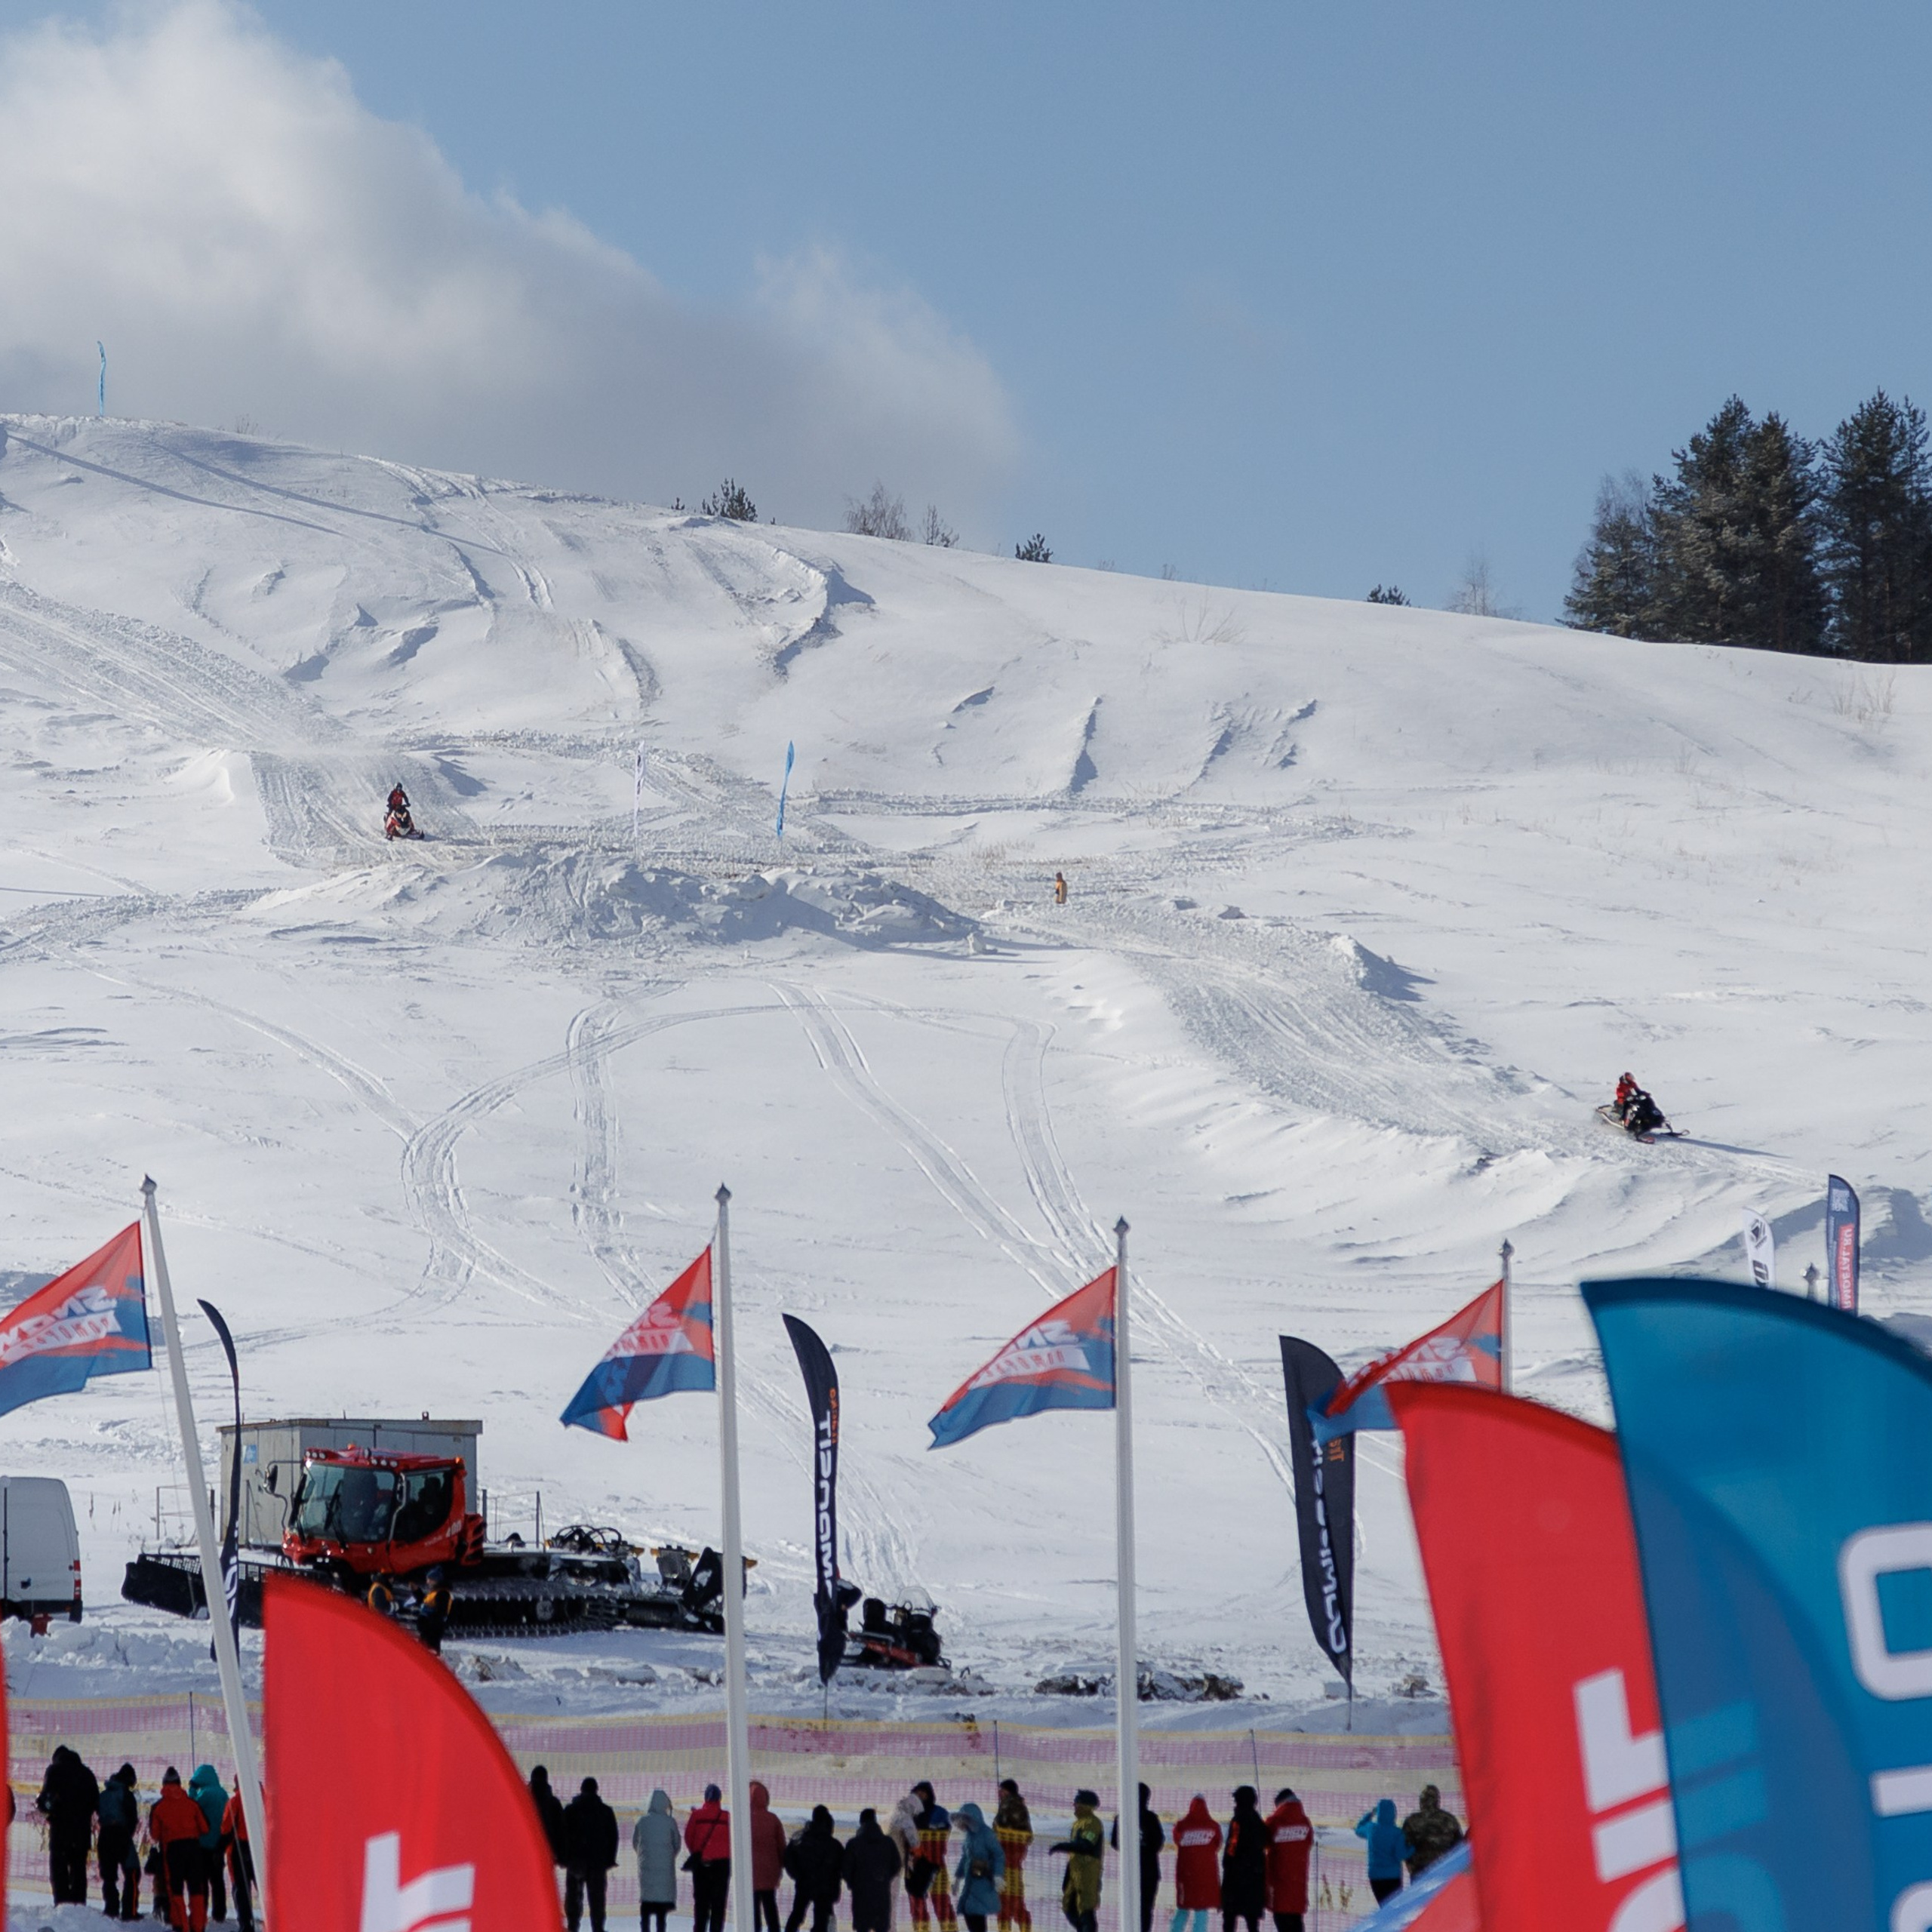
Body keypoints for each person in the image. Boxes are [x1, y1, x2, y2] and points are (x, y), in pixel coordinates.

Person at [152, 1767, 212, 1932]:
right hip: (193, 1849)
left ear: (164, 1784)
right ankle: (198, 1926)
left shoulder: (159, 1807)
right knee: (196, 1890)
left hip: (172, 1851)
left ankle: (181, 1926)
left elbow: (155, 1834)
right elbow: (205, 1828)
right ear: (180, 1784)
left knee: (175, 1891)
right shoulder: (192, 1804)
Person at [38, 1743, 100, 1905]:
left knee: (59, 1870)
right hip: (81, 1832)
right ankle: (78, 1906)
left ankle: (62, 1905)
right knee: (79, 1870)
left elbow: (45, 1800)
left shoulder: (54, 1770)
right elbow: (96, 1802)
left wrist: (47, 1808)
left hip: (61, 1830)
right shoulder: (87, 1774)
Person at [564, 1776, 620, 1932]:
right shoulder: (605, 1811)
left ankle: (572, 1927)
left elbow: (563, 1835)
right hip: (598, 1863)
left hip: (575, 1863)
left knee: (574, 1900)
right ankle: (598, 1928)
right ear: (596, 1790)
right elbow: (613, 1837)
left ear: (581, 1790)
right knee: (597, 1901)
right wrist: (609, 1860)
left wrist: (566, 1859)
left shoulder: (571, 1810)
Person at [1110, 1783, 1162, 1932]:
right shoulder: (1151, 1818)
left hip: (1129, 1872)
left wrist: (1131, 1847)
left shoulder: (1122, 1817)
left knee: (1129, 1909)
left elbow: (1115, 1843)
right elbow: (1158, 1843)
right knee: (1145, 1910)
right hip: (1149, 1872)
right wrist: (1144, 1847)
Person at [783, 1804, 844, 1932]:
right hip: (824, 1889)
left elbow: (788, 1859)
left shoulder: (799, 1840)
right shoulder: (834, 1845)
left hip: (804, 1884)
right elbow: (841, 1866)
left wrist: (798, 1876)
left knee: (797, 1915)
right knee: (821, 1921)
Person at [1051, 1791, 1104, 1932]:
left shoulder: (1092, 1823)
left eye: (1077, 1802)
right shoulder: (1078, 1823)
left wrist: (1062, 1846)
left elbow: (1086, 1845)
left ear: (1085, 1805)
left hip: (1087, 1873)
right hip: (1076, 1871)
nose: (1074, 1805)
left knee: (1086, 1909)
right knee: (1069, 1906)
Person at [843, 1807, 902, 1932]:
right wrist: (885, 1878)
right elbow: (897, 1865)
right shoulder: (888, 1843)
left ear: (861, 1822)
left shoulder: (853, 1844)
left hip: (861, 1896)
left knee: (862, 1928)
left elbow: (846, 1869)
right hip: (882, 1895)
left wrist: (853, 1883)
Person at [1169, 1796, 1221, 1932]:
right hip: (1205, 1876)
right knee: (1201, 1910)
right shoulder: (1213, 1826)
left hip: (1186, 1875)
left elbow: (1176, 1840)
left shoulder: (1181, 1825)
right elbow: (1217, 1844)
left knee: (1183, 1907)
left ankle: (1175, 1929)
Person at [909, 1783, 957, 1931]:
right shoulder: (909, 1814)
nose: (920, 1797)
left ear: (929, 1794)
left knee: (942, 1902)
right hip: (915, 1865)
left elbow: (943, 1836)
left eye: (923, 1793)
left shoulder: (940, 1813)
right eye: (917, 1794)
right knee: (917, 1903)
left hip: (936, 1865)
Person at [686, 1783, 734, 1932]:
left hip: (702, 1865)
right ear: (719, 1798)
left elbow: (688, 1837)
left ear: (705, 1797)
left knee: (701, 1904)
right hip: (723, 1865)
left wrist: (698, 1852)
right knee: (719, 1905)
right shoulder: (727, 1817)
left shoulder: (696, 1816)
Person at [98, 1763, 142, 1921]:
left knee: (109, 1876)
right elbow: (132, 1818)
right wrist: (127, 1834)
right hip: (121, 1835)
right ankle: (129, 1911)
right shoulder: (126, 1794)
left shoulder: (103, 1794)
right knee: (133, 1872)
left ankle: (111, 1909)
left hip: (104, 1836)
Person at [1262, 1790, 1310, 1932]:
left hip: (1278, 1883)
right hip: (1298, 1883)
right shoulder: (1305, 1822)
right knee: (1297, 1922)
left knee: (1282, 1921)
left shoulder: (1273, 1822)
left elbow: (1263, 1842)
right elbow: (1308, 1842)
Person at [633, 1789, 681, 1932]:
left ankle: (645, 1929)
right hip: (665, 1872)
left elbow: (635, 1843)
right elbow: (677, 1845)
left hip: (646, 1871)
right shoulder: (670, 1822)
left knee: (646, 1907)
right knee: (661, 1912)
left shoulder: (641, 1822)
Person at [952, 1802, 1004, 1932]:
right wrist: (957, 1879)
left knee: (976, 1916)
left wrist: (998, 1876)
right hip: (971, 1883)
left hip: (984, 1882)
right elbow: (965, 1858)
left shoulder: (987, 1834)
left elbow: (999, 1855)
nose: (960, 1824)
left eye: (963, 1820)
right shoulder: (969, 1837)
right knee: (970, 1914)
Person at [1220, 1789, 1266, 1932]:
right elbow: (1264, 1842)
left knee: (1230, 1921)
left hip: (1236, 1879)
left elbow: (1232, 1845)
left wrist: (1227, 1863)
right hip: (1255, 1878)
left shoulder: (1238, 1820)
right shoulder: (1258, 1821)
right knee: (1252, 1922)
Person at [188, 1767, 229, 1921]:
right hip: (219, 1844)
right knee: (217, 1880)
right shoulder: (223, 1793)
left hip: (203, 1844)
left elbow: (192, 1808)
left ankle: (201, 1911)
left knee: (201, 1881)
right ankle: (219, 1913)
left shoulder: (205, 1794)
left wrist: (192, 1790)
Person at [993, 1780, 1033, 1932]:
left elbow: (1002, 1827)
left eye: (1002, 1790)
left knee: (1009, 1901)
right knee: (1011, 1901)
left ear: (1009, 1792)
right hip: (1010, 1861)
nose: (999, 1793)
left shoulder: (1010, 1805)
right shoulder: (1013, 1805)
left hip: (1007, 1860)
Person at [1352, 1800, 1410, 1907]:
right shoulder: (1397, 1832)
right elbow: (1400, 1855)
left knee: (1383, 1907)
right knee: (1394, 1908)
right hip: (1393, 1876)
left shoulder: (1371, 1829)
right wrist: (1412, 1849)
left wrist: (1370, 1814)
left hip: (1375, 1876)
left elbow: (1358, 1829)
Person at [749, 1780, 788, 1932]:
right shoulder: (773, 1819)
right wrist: (783, 1865)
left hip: (750, 1873)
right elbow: (781, 1846)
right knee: (770, 1906)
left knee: (753, 1910)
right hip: (770, 1873)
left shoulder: (743, 1819)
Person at [1398, 1787, 1462, 1881]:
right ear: (1437, 1801)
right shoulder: (1450, 1820)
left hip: (1420, 1871)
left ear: (1421, 1802)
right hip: (1444, 1871)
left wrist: (1410, 1864)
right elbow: (1459, 1847)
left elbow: (1403, 1847)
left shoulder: (1411, 1821)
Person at [219, 1786, 256, 1932]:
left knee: (241, 1890)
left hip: (240, 1849)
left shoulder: (235, 1801)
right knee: (267, 1889)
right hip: (261, 1848)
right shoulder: (265, 1798)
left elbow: (226, 1827)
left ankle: (246, 1926)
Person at [530, 1766, 568, 1871]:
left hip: (527, 1851)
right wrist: (562, 1856)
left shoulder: (524, 1803)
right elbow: (561, 1831)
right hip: (547, 1852)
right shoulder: (553, 1803)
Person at [417, 1566, 452, 1655]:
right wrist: (417, 1592)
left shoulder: (442, 1594)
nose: (427, 1582)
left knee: (430, 1652)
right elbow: (425, 1601)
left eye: (430, 1579)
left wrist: (427, 1621)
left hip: (432, 1630)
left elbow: (441, 1612)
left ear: (436, 1580)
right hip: (428, 1629)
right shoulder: (434, 1592)